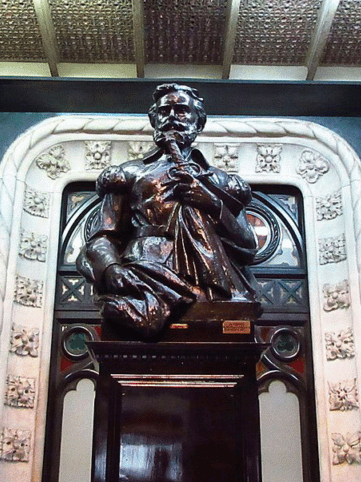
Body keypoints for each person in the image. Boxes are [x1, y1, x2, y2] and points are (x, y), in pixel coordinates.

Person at [78, 83, 260, 339]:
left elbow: (249, 247)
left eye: (182, 110)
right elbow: (103, 237)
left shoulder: (220, 182)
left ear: (198, 122)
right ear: (155, 120)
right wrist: (110, 269)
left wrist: (212, 203)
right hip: (145, 270)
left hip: (211, 281)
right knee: (120, 310)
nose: (173, 117)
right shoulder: (130, 174)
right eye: (165, 111)